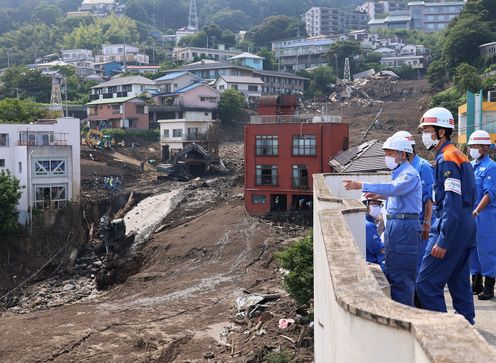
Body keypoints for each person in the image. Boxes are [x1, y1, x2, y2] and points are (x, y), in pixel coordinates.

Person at [416, 107, 476, 325]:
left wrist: (443, 239)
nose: (424, 135)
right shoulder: (459, 155)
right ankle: (466, 327)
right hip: (465, 224)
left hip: (451, 225)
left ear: (441, 132)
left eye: (427, 130)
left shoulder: (447, 159)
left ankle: (443, 330)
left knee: (426, 283)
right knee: (459, 281)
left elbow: (451, 201)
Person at [344, 136, 422, 306]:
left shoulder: (409, 174)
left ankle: (406, 312)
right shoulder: (399, 173)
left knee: (401, 275)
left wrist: (362, 185)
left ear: (403, 154)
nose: (387, 157)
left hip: (404, 225)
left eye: (390, 153)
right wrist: (379, 195)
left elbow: (395, 189)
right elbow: (398, 195)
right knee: (393, 270)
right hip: (396, 224)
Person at [392, 131, 435, 274]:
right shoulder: (400, 168)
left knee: (419, 263)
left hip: (421, 223)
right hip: (406, 224)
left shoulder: (423, 167)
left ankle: (419, 295)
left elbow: (429, 198)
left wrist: (427, 223)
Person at [467, 130, 496, 300]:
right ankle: (476, 282)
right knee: (473, 249)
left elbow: (490, 193)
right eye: (471, 146)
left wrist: (477, 210)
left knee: (487, 250)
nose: (472, 149)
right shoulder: (470, 166)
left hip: (486, 215)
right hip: (471, 215)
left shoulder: (492, 167)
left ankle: (489, 286)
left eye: (475, 146)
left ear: (485, 148)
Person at [362, 195, 385, 271]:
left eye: (379, 204)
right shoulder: (369, 225)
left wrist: (380, 227)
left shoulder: (370, 222)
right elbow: (377, 248)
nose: (377, 207)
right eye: (374, 204)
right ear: (366, 205)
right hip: (371, 263)